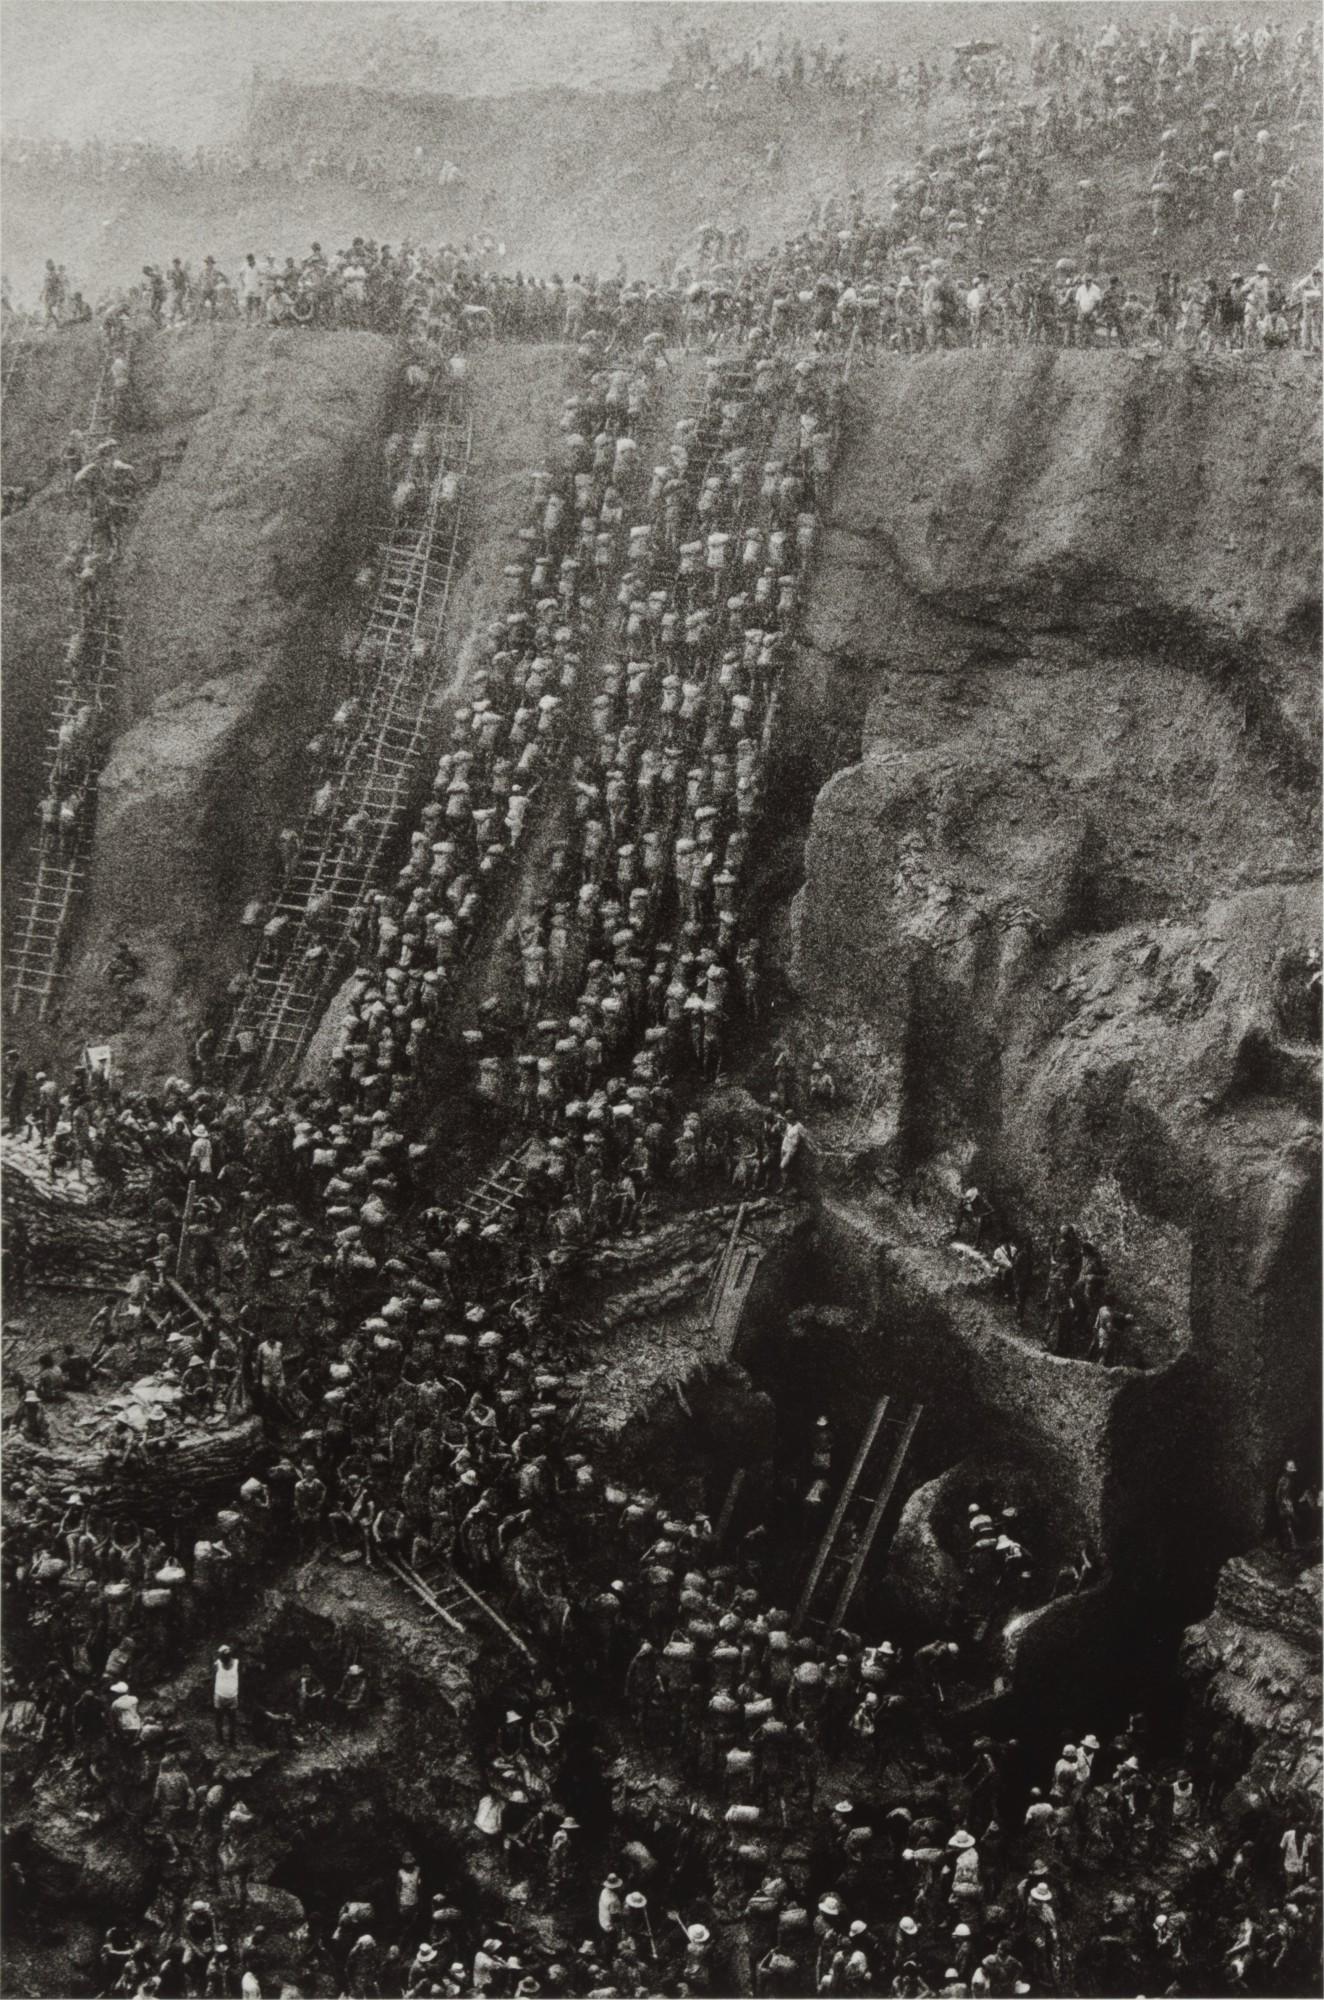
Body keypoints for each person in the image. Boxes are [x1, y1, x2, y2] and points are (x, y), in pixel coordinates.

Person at [213, 1643, 240, 1747]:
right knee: (219, 1720)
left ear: (230, 1655)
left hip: (233, 1696)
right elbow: (213, 1678)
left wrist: (237, 1691)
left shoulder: (237, 1663)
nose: (225, 1658)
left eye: (227, 1655)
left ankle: (232, 1742)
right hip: (219, 1695)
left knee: (232, 1720)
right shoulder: (217, 1664)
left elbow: (240, 1678)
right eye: (223, 1656)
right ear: (220, 1656)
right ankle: (220, 1742)